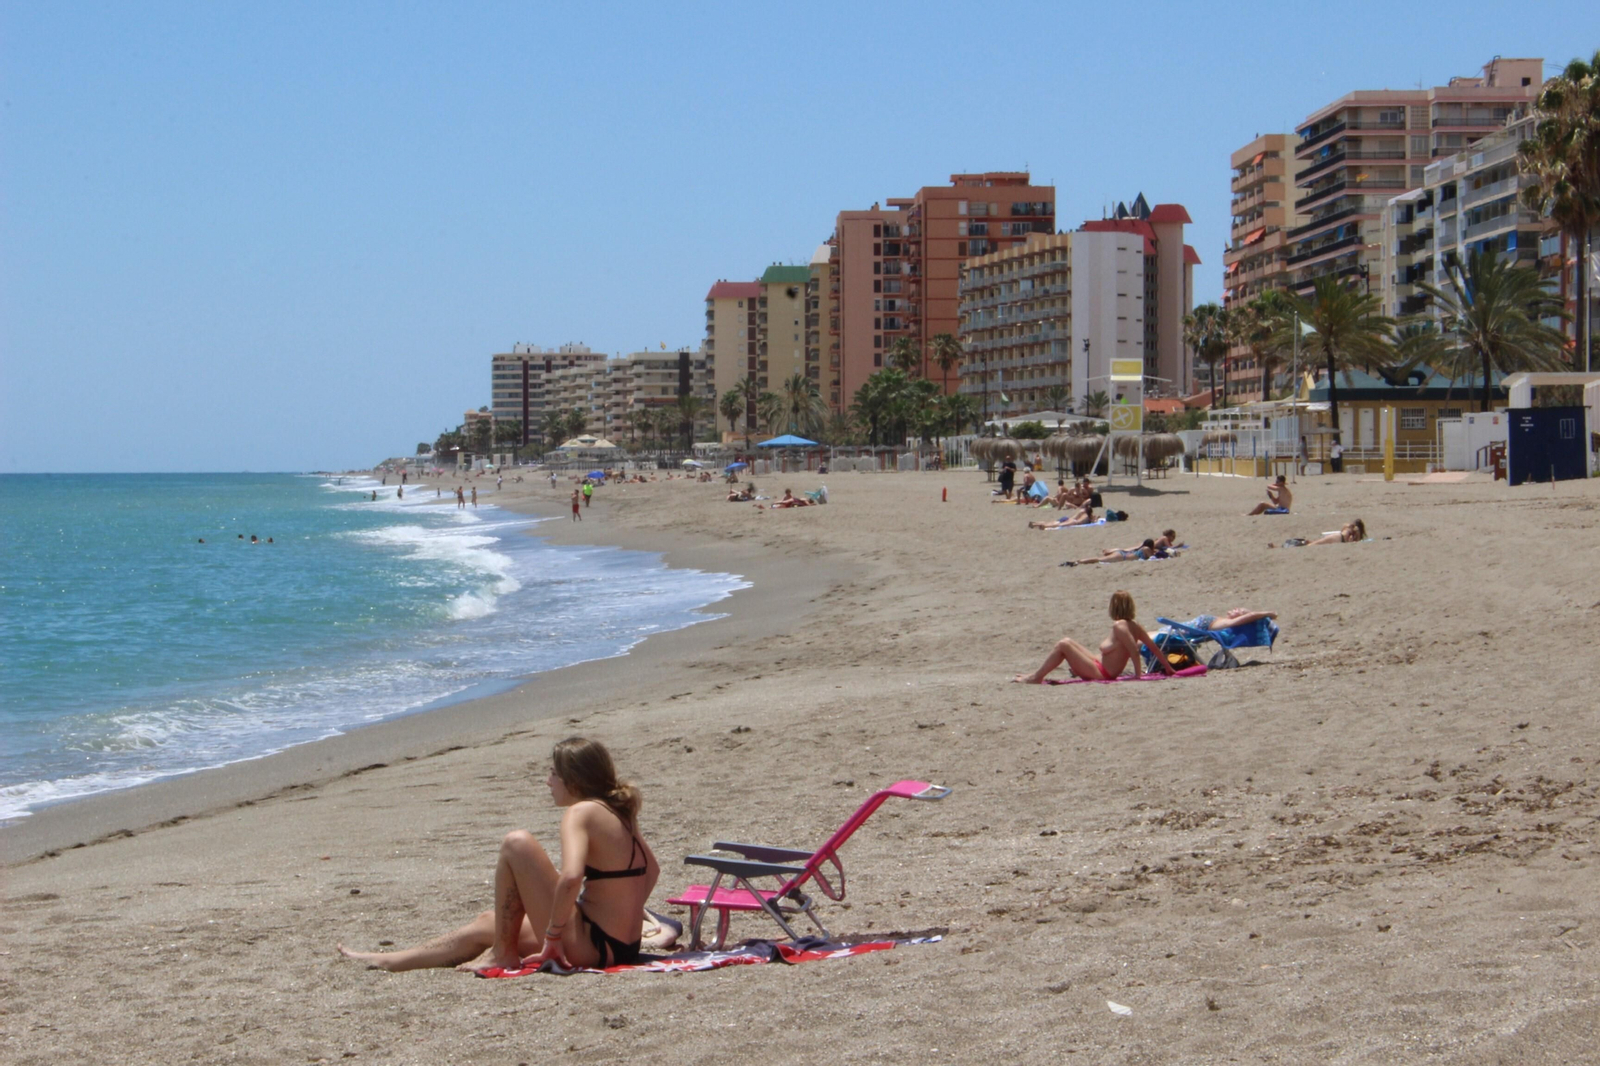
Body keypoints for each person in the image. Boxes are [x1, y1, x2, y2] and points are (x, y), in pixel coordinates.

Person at [337, 737, 661, 973]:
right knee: (485, 923)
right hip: (619, 945)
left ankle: (503, 953)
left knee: (516, 843)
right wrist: (621, 912)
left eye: (553, 773)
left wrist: (553, 938)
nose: (547, 781)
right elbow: (653, 871)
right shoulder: (618, 811)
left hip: (592, 945)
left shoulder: (581, 813)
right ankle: (387, 960)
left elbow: (572, 877)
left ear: (572, 781)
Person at [1013, 590, 1176, 683]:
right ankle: (1034, 675)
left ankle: (1036, 677)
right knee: (1068, 641)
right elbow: (1153, 647)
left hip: (1101, 673)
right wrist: (1167, 667)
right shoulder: (1135, 626)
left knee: (1063, 644)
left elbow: (1134, 650)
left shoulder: (1119, 626)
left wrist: (1138, 675)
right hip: (1098, 665)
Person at [1270, 519, 1366, 548]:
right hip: (1338, 538)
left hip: (1337, 536)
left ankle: (1279, 547)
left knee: (1314, 544)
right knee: (1312, 545)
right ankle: (1278, 547)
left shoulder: (1348, 526)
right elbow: (1352, 542)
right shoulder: (1355, 530)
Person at [1029, 505, 1097, 529]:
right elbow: (1094, 522)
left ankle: (1035, 523)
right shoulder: (1087, 516)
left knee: (1052, 522)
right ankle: (1045, 526)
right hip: (1074, 522)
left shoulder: (1082, 512)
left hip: (1069, 518)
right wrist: (1095, 518)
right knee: (1058, 525)